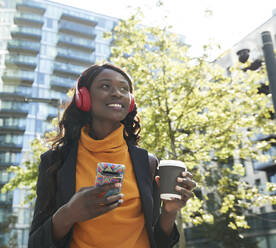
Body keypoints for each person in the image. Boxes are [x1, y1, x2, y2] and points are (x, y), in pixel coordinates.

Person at [28, 63, 196, 248]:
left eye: (124, 89)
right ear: (84, 97)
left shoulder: (147, 163)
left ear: (130, 101)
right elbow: (36, 242)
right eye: (105, 86)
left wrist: (170, 212)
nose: (117, 93)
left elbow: (160, 242)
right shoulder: (55, 161)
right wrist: (68, 214)